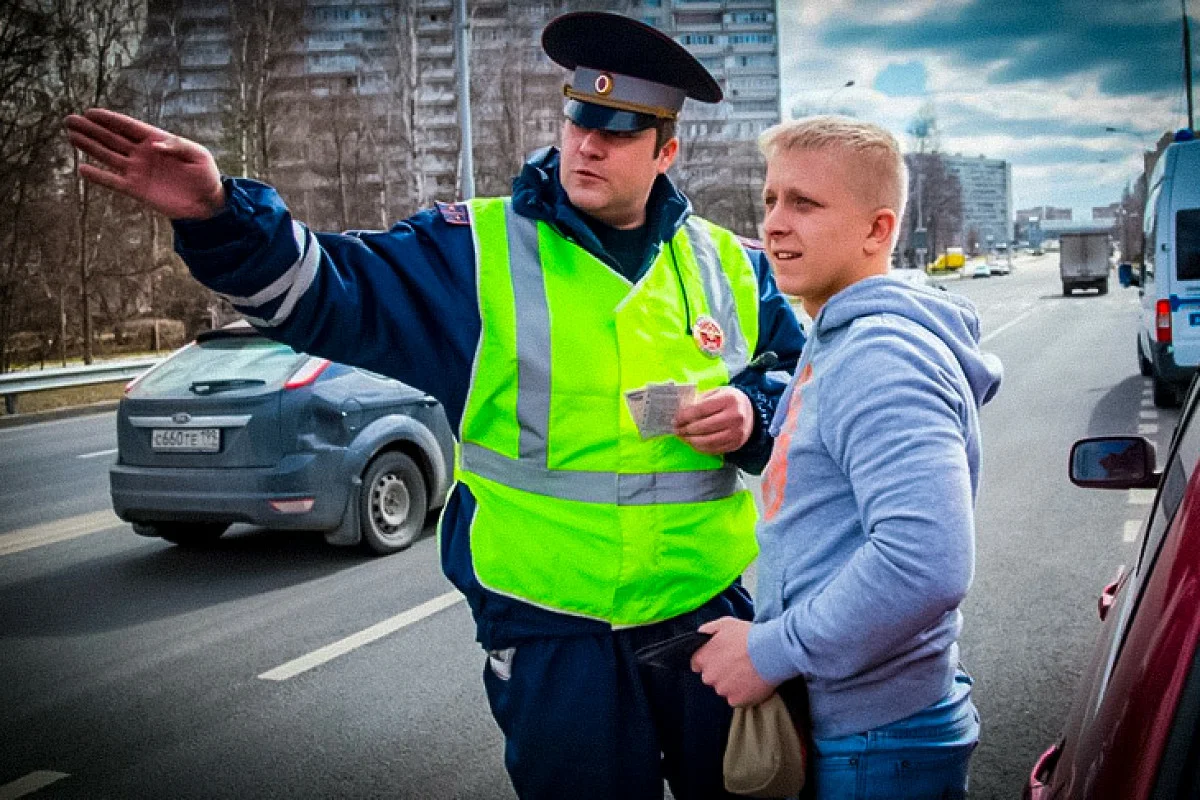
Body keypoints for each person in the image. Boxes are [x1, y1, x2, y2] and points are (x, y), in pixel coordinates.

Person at [65, 12, 804, 800]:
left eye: (620, 132)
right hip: (553, 629)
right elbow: (325, 291)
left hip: (704, 617)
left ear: (666, 150)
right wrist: (216, 212)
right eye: (580, 119)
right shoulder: (476, 250)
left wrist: (753, 413)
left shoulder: (728, 264)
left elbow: (801, 384)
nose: (588, 144)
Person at [692, 116, 1002, 799]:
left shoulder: (879, 354)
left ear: (877, 230)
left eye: (805, 203)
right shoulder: (839, 335)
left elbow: (926, 562)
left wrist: (768, 652)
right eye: (771, 200)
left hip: (877, 742)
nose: (774, 223)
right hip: (869, 729)